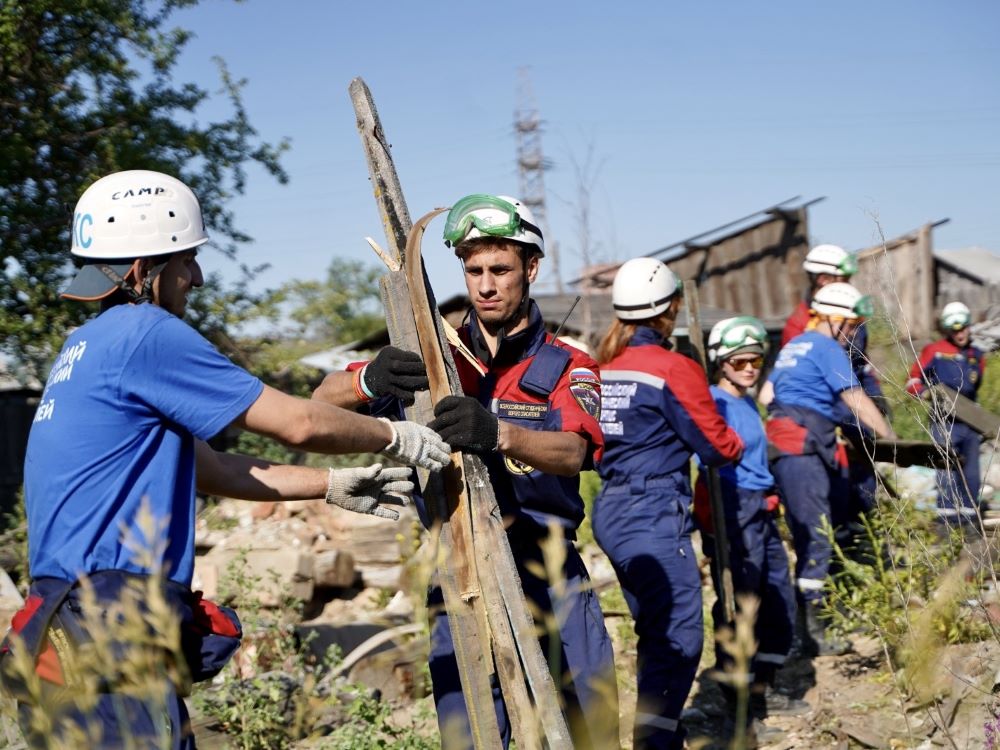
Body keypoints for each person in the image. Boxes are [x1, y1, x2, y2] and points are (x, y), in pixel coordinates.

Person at [4, 170, 450, 749]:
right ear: (144, 271)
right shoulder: (146, 333)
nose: (197, 277)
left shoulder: (86, 348)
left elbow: (212, 469)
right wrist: (394, 435)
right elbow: (300, 421)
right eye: (186, 260)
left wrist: (331, 483)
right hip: (111, 625)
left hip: (63, 626)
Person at [313, 194, 618, 749]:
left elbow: (574, 453)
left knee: (587, 727)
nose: (485, 285)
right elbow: (319, 404)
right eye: (473, 270)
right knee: (472, 733)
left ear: (530, 268)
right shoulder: (436, 359)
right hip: (458, 576)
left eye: (500, 269)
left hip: (547, 569)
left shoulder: (566, 364)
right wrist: (369, 380)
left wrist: (499, 433)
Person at [592, 257, 744, 750]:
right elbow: (716, 448)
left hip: (612, 507)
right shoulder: (673, 368)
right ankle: (654, 743)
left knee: (655, 628)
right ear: (670, 309)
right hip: (653, 509)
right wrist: (738, 438)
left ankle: (660, 732)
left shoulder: (603, 367)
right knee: (679, 635)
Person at [759, 282, 895, 657]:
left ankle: (815, 623)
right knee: (818, 537)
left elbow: (766, 397)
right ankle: (815, 634)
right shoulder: (825, 347)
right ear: (833, 318)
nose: (853, 332)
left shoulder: (793, 345)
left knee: (813, 534)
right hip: (801, 450)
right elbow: (856, 400)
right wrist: (892, 442)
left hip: (787, 447)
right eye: (850, 324)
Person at [695, 316, 805, 727]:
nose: (749, 368)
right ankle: (740, 707)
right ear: (721, 362)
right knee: (740, 603)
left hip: (760, 505)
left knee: (776, 593)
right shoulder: (713, 401)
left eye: (755, 361)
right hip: (731, 503)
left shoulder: (746, 400)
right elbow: (705, 456)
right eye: (740, 361)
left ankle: (765, 688)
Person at [783, 244, 887, 521]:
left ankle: (866, 554)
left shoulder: (852, 315)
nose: (850, 286)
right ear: (824, 279)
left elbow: (862, 365)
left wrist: (876, 401)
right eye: (845, 279)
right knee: (834, 507)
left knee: (865, 502)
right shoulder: (800, 327)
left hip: (857, 421)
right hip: (824, 430)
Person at [906, 301, 987, 524]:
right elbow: (912, 380)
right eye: (955, 330)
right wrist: (925, 393)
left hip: (969, 424)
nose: (960, 334)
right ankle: (947, 523)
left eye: (963, 328)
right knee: (946, 472)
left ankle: (970, 521)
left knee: (971, 474)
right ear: (948, 330)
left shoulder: (976, 354)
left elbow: (975, 386)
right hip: (944, 422)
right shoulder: (934, 351)